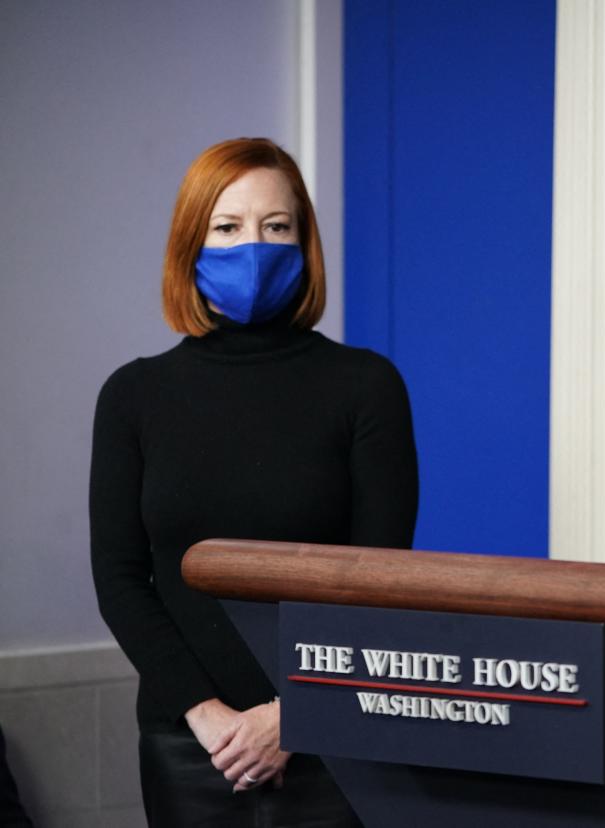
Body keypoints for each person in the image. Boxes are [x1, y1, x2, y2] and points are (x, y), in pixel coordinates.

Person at [90, 138, 418, 825]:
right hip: (190, 743)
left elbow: (379, 580)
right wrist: (208, 717)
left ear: (304, 243)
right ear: (191, 244)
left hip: (333, 738)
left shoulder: (366, 386)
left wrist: (290, 716)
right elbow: (121, 578)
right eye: (228, 227)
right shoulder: (134, 395)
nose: (254, 246)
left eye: (276, 227)